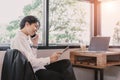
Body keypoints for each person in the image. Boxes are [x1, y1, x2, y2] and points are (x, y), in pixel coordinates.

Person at [10, 15, 76, 80]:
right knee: (61, 76)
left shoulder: (24, 38)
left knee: (66, 63)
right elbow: (30, 63)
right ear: (27, 24)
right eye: (35, 26)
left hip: (37, 67)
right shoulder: (20, 39)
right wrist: (50, 59)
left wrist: (35, 45)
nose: (36, 30)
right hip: (34, 71)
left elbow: (32, 58)